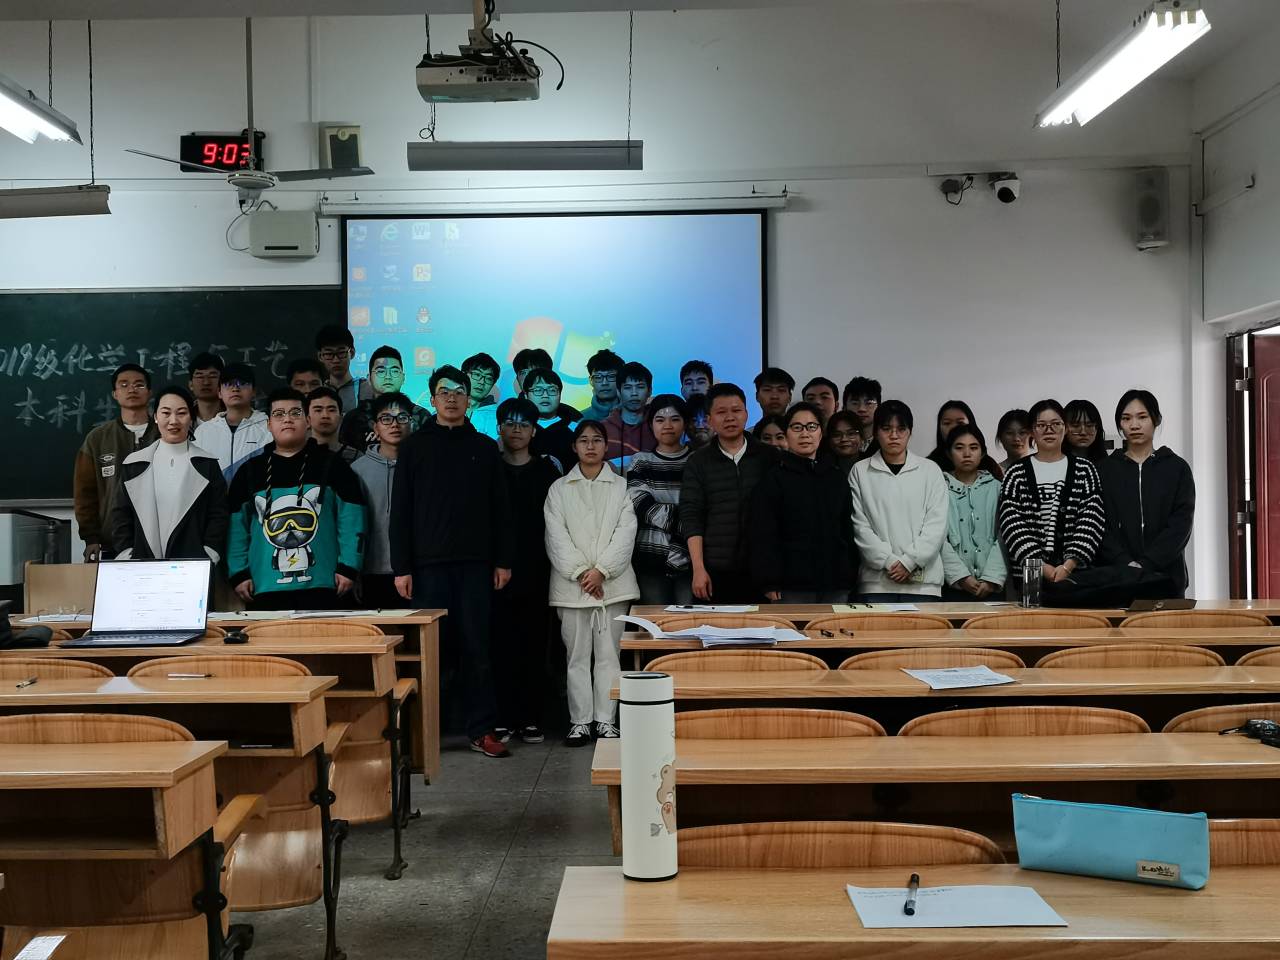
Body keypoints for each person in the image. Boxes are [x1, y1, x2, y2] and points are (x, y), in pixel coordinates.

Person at [390, 365, 514, 759]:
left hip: (476, 565)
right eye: (444, 391)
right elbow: (401, 511)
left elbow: (501, 509)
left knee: (478, 648)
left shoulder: (484, 447)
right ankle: (424, 730)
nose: (452, 398)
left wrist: (503, 560)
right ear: (432, 399)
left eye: (459, 391)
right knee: (430, 652)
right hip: (427, 568)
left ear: (468, 398)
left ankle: (482, 730)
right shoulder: (414, 447)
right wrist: (401, 567)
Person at [226, 387, 367, 611]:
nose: (287, 419)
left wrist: (349, 567)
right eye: (279, 414)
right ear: (268, 424)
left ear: (308, 421)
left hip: (325, 584)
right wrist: (239, 573)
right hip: (263, 587)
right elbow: (236, 529)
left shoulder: (333, 465)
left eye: (295, 413)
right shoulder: (250, 471)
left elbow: (352, 519)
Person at [544, 419, 639, 746]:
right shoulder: (559, 488)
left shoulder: (621, 486)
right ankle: (580, 721)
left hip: (613, 586)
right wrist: (582, 573)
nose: (590, 446)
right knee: (576, 657)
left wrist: (602, 571)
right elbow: (555, 537)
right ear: (574, 447)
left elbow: (625, 534)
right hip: (571, 588)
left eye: (596, 440)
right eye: (583, 440)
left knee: (610, 655)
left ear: (606, 445)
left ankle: (606, 720)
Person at [492, 397, 562, 744]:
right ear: (499, 428)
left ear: (534, 431)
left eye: (523, 424)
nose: (516, 430)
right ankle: (503, 717)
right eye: (509, 423)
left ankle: (532, 717)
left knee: (535, 645)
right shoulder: (489, 469)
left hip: (539, 570)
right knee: (499, 646)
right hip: (495, 572)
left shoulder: (548, 473)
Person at [679, 383, 780, 603]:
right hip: (714, 570)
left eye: (736, 410)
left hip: (761, 571)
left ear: (746, 414)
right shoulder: (698, 462)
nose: (730, 418)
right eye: (721, 412)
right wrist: (698, 569)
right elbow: (691, 516)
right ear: (709, 420)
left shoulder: (769, 457)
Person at [749, 402, 856, 602]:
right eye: (797, 427)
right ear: (787, 434)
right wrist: (769, 581)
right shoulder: (774, 479)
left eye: (811, 427)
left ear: (821, 433)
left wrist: (850, 572)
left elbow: (847, 529)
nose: (805, 434)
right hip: (791, 584)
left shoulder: (836, 476)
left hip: (836, 581)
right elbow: (764, 534)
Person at [108, 385, 228, 562]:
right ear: (155, 417)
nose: (173, 421)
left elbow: (218, 514)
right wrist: (127, 554)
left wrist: (209, 554)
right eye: (166, 413)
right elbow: (120, 515)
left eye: (181, 413)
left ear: (191, 418)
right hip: (142, 564)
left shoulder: (207, 464)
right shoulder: (134, 464)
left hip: (193, 565)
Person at [997, 399, 1106, 588]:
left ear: (1065, 428)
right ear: (1032, 431)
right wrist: (1040, 566)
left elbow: (1092, 519)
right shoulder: (1016, 473)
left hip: (1077, 573)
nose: (1049, 430)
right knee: (1032, 608)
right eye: (1041, 425)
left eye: (1056, 424)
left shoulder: (1085, 470)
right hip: (1030, 574)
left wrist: (1068, 565)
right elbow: (1012, 524)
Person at [848, 400, 949, 601]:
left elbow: (937, 524)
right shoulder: (860, 471)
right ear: (876, 432)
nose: (894, 435)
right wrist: (888, 561)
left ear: (910, 432)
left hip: (924, 584)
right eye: (886, 429)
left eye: (901, 429)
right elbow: (860, 526)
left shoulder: (930, 470)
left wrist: (910, 561)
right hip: (876, 584)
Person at [1098, 390, 1195, 597]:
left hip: (1167, 579)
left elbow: (1181, 524)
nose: (1134, 425)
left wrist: (1147, 564)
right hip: (1117, 578)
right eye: (1126, 419)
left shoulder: (1177, 468)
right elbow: (1099, 525)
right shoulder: (1104, 470)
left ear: (1156, 419)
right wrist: (1125, 563)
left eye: (1142, 417)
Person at [74, 363, 160, 562]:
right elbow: (85, 494)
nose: (132, 389)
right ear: (115, 394)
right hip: (112, 541)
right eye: (124, 385)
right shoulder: (97, 439)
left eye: (139, 385)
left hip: (161, 538)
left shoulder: (165, 433)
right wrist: (91, 537)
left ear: (149, 392)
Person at [626, 394, 693, 605]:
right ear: (650, 424)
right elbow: (642, 506)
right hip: (650, 558)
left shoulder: (698, 460)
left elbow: (704, 508)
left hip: (693, 559)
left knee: (691, 621)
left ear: (685, 423)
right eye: (660, 419)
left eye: (675, 419)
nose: (667, 425)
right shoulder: (640, 462)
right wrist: (687, 521)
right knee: (653, 621)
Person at [352, 391, 413, 609]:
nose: (395, 424)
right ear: (375, 427)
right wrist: (354, 572)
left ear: (411, 424)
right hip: (372, 570)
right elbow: (352, 525)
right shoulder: (357, 470)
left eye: (402, 417)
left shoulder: (422, 467)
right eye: (386, 418)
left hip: (415, 570)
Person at [939, 424, 1006, 601]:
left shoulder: (998, 488)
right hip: (953, 586)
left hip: (992, 587)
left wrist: (991, 579)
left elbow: (1004, 536)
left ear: (982, 453)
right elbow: (937, 537)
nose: (967, 454)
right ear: (949, 453)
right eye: (959, 448)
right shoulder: (939, 488)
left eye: (974, 448)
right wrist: (961, 576)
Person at [339, 345, 429, 450]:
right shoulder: (354, 419)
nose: (388, 376)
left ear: (403, 378)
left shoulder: (421, 416)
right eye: (381, 371)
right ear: (369, 378)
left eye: (394, 371)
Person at [193, 362, 271, 473]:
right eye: (228, 384)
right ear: (219, 392)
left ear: (254, 391)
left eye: (242, 383)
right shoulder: (203, 432)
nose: (235, 388)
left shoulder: (268, 428)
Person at [927, 400, 1002, 477]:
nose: (953, 428)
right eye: (947, 423)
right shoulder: (930, 465)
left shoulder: (989, 465)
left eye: (960, 423)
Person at [525, 368, 581, 472]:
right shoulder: (520, 429)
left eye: (552, 390)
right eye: (538, 390)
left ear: (560, 394)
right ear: (526, 395)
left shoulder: (576, 429)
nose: (545, 395)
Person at [603, 361, 656, 469]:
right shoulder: (602, 429)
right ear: (618, 392)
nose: (634, 393)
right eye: (627, 387)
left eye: (640, 387)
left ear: (650, 391)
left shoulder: (659, 427)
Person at [315, 324, 365, 412]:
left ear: (352, 353)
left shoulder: (366, 389)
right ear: (320, 356)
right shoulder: (317, 392)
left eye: (341, 353)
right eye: (329, 354)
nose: (336, 360)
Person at [306, 386, 361, 464]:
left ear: (341, 418)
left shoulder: (358, 459)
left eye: (331, 410)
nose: (325, 415)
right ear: (307, 419)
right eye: (318, 410)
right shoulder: (296, 456)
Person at [463, 351, 502, 439]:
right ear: (464, 375)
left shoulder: (499, 416)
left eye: (488, 378)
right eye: (477, 374)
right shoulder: (447, 409)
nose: (481, 382)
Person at [584, 349, 625, 421]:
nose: (604, 383)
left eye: (611, 376)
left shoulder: (634, 417)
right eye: (598, 377)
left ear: (620, 379)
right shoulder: (581, 419)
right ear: (591, 380)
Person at [1064, 398, 1108, 463]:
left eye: (1089, 426)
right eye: (1076, 426)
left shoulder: (1107, 464)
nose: (1083, 432)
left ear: (1097, 429)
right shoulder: (1057, 463)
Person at [842, 376, 882, 447]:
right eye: (855, 403)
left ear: (879, 407)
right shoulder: (834, 444)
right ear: (844, 408)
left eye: (869, 403)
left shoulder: (886, 444)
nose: (862, 409)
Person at [187, 352, 224, 424]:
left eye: (212, 376)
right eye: (200, 377)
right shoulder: (182, 419)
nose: (206, 382)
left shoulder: (235, 416)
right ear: (191, 384)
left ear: (223, 383)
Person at [825, 410, 863, 476]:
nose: (844, 439)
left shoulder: (872, 464)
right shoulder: (822, 467)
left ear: (862, 438)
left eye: (851, 434)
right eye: (837, 435)